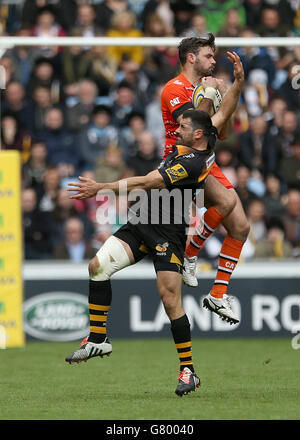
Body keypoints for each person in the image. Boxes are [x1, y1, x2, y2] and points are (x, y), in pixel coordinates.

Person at [64, 52, 243, 396]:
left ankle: (188, 371)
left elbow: (149, 183)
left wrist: (101, 187)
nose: (178, 129)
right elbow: (222, 112)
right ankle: (98, 338)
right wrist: (237, 82)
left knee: (169, 299)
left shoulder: (193, 163)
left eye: (185, 127)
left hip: (168, 227)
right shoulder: (204, 136)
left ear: (199, 136)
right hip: (143, 218)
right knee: (97, 267)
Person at [160, 34, 250, 312]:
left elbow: (220, 131)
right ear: (191, 57)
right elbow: (196, 133)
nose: (214, 61)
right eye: (209, 56)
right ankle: (190, 252)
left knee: (241, 227)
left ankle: (217, 294)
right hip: (183, 161)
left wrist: (236, 86)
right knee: (225, 201)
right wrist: (210, 95)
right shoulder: (173, 89)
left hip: (207, 160)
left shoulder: (206, 86)